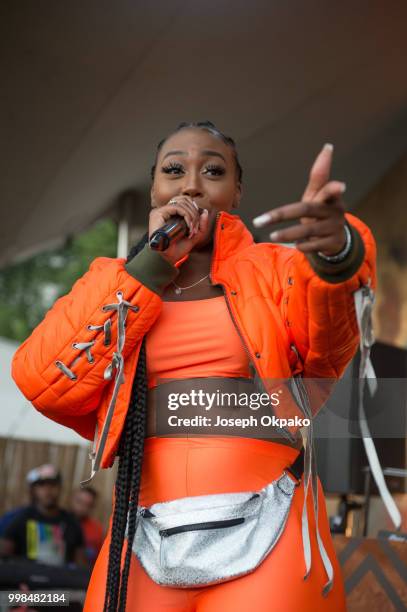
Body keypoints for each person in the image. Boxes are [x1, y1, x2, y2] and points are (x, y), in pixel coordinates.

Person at [11, 121, 376, 611]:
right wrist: (149, 270)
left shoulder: (277, 270)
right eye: (175, 170)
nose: (191, 184)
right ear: (155, 189)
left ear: (237, 192)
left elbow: (328, 347)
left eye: (213, 170)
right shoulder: (113, 281)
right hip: (142, 534)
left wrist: (336, 254)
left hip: (270, 526)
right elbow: (41, 380)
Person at [0, 464, 87, 567]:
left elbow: (81, 564)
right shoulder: (18, 519)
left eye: (52, 485)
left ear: (60, 488)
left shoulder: (72, 523)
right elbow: (4, 558)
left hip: (60, 581)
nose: (48, 490)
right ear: (33, 490)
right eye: (42, 485)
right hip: (24, 580)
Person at [70, 486, 105, 566]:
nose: (81, 507)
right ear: (72, 500)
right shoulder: (62, 522)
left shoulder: (97, 530)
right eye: (79, 502)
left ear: (92, 507)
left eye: (87, 505)